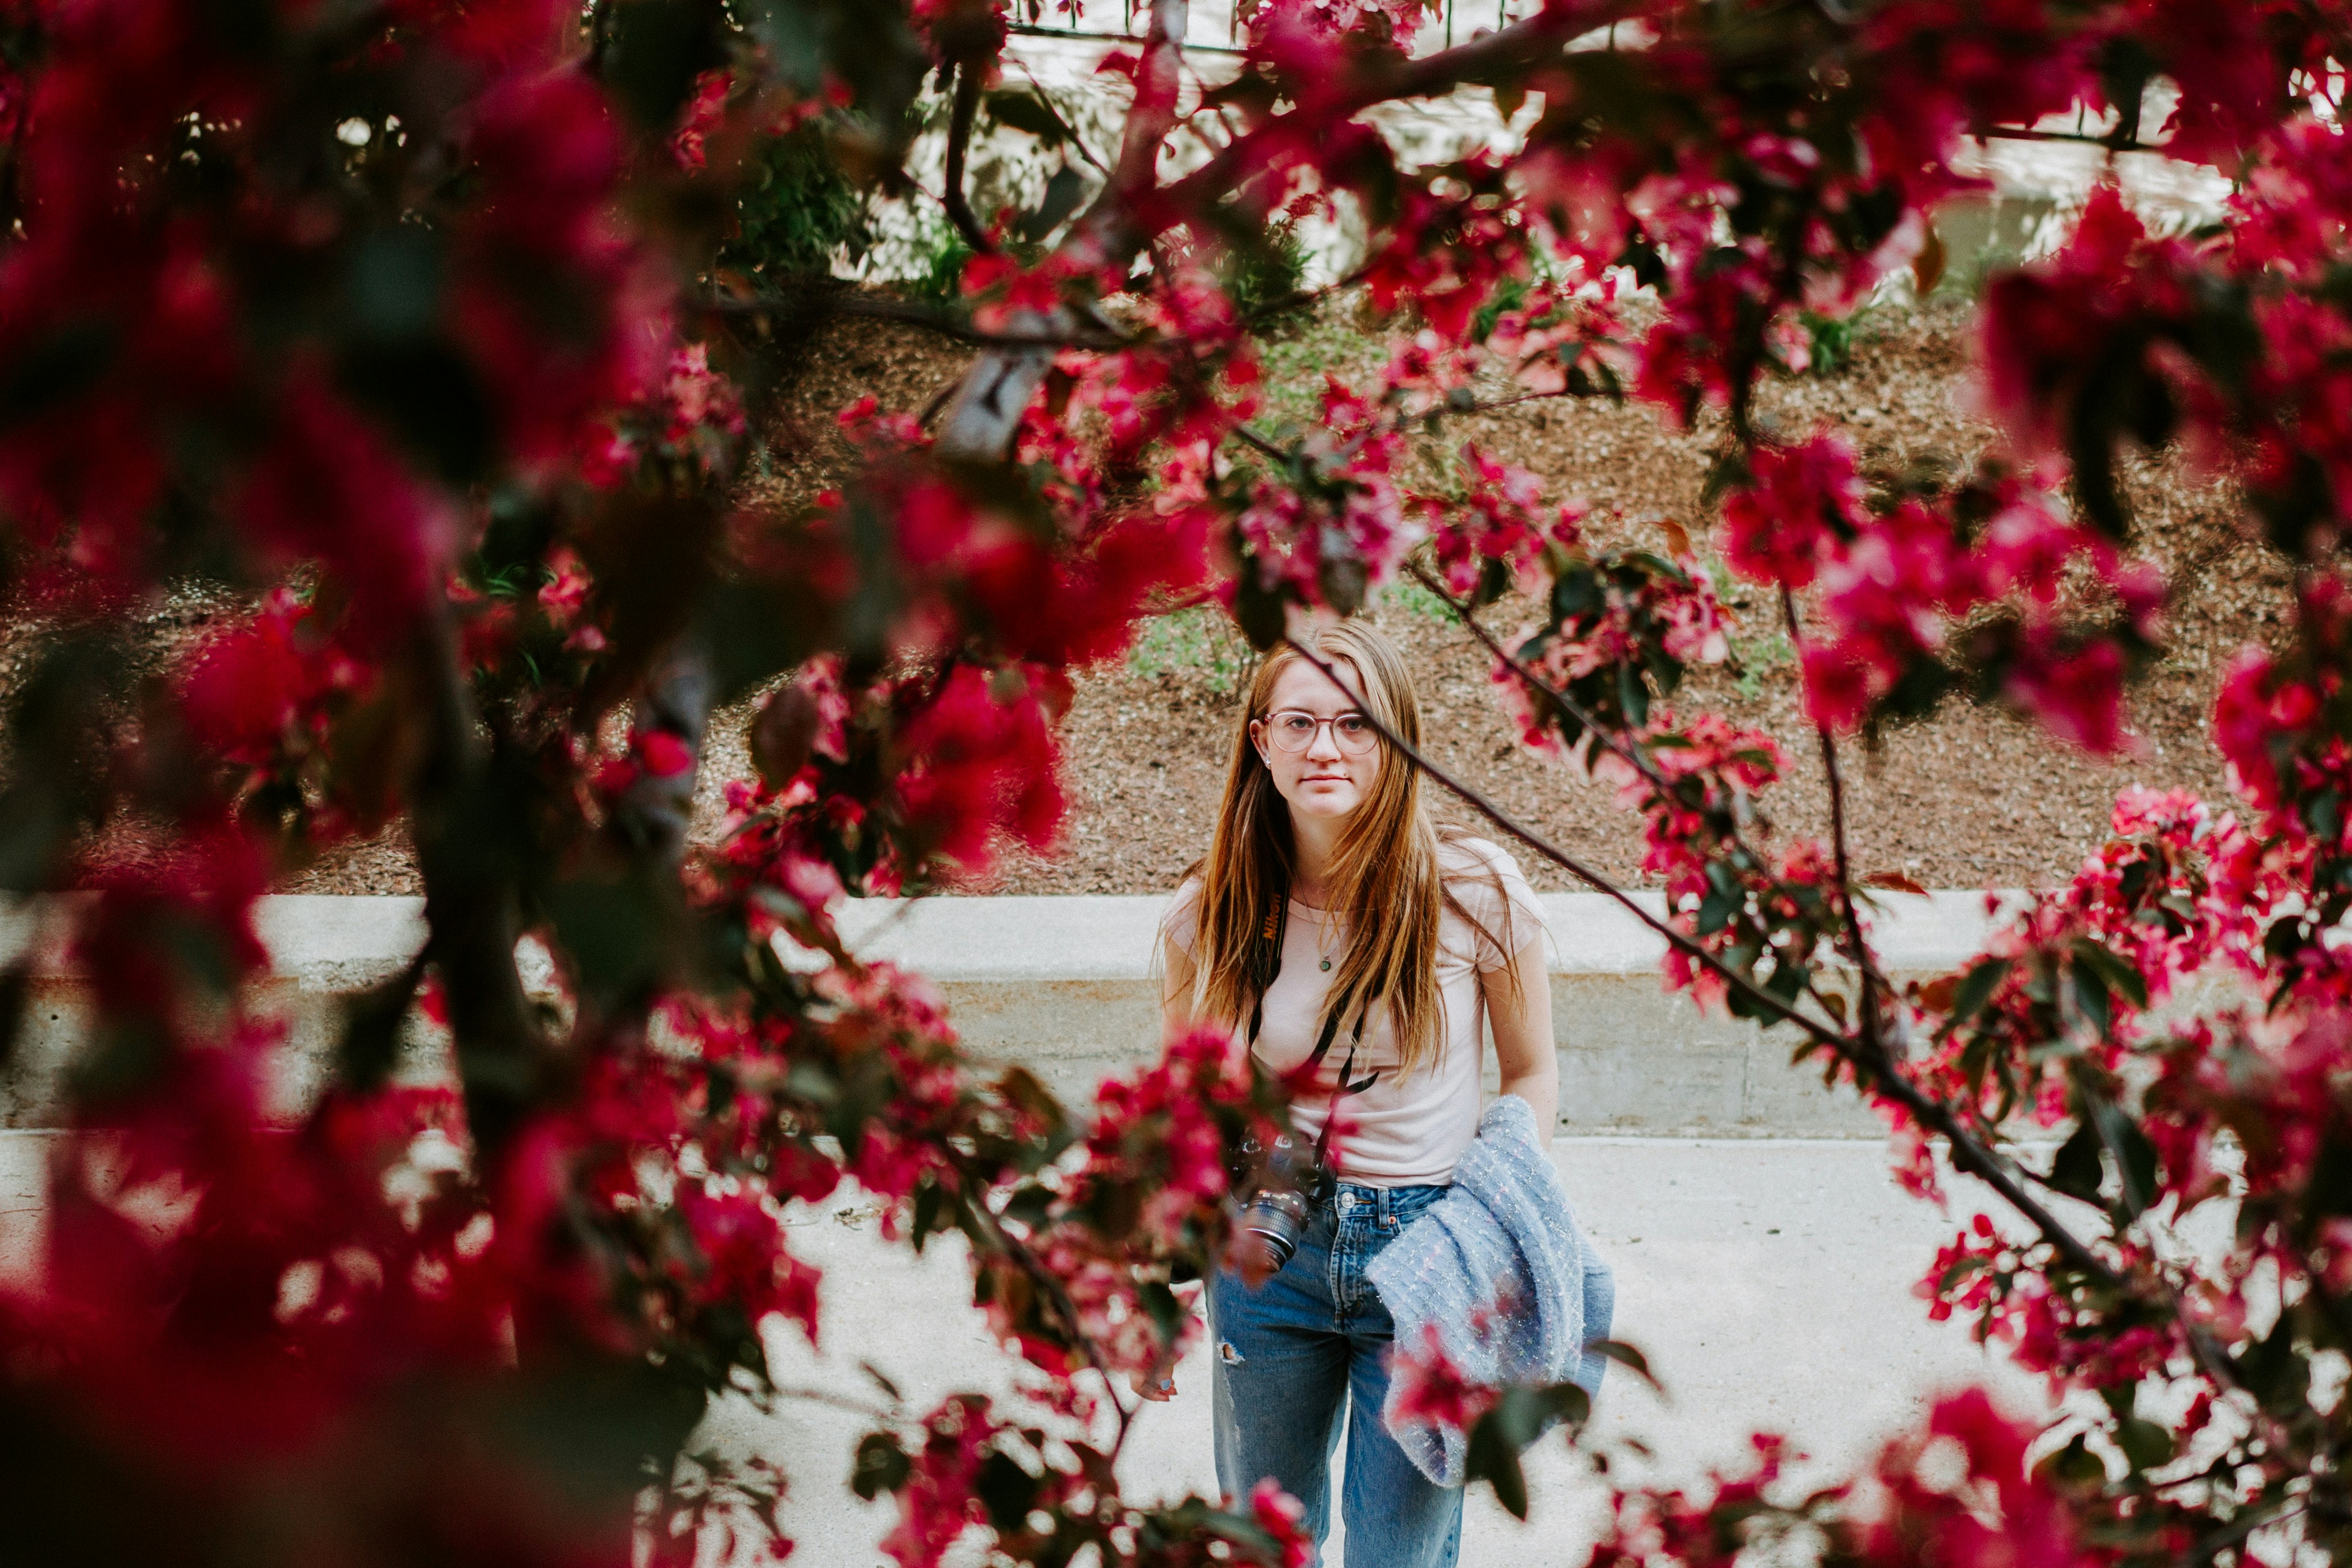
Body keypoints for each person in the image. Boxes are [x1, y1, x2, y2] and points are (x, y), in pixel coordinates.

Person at [1147, 620, 1560, 1568]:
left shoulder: (1476, 890)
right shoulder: (1205, 911)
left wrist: (1500, 1214)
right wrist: (1159, 1282)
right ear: (1261, 741)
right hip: (1270, 1249)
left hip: (1432, 1251)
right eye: (1297, 722)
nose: (1323, 746)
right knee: (1261, 1539)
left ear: (1397, 737)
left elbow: (1530, 1071)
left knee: (1398, 1555)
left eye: (1355, 724)